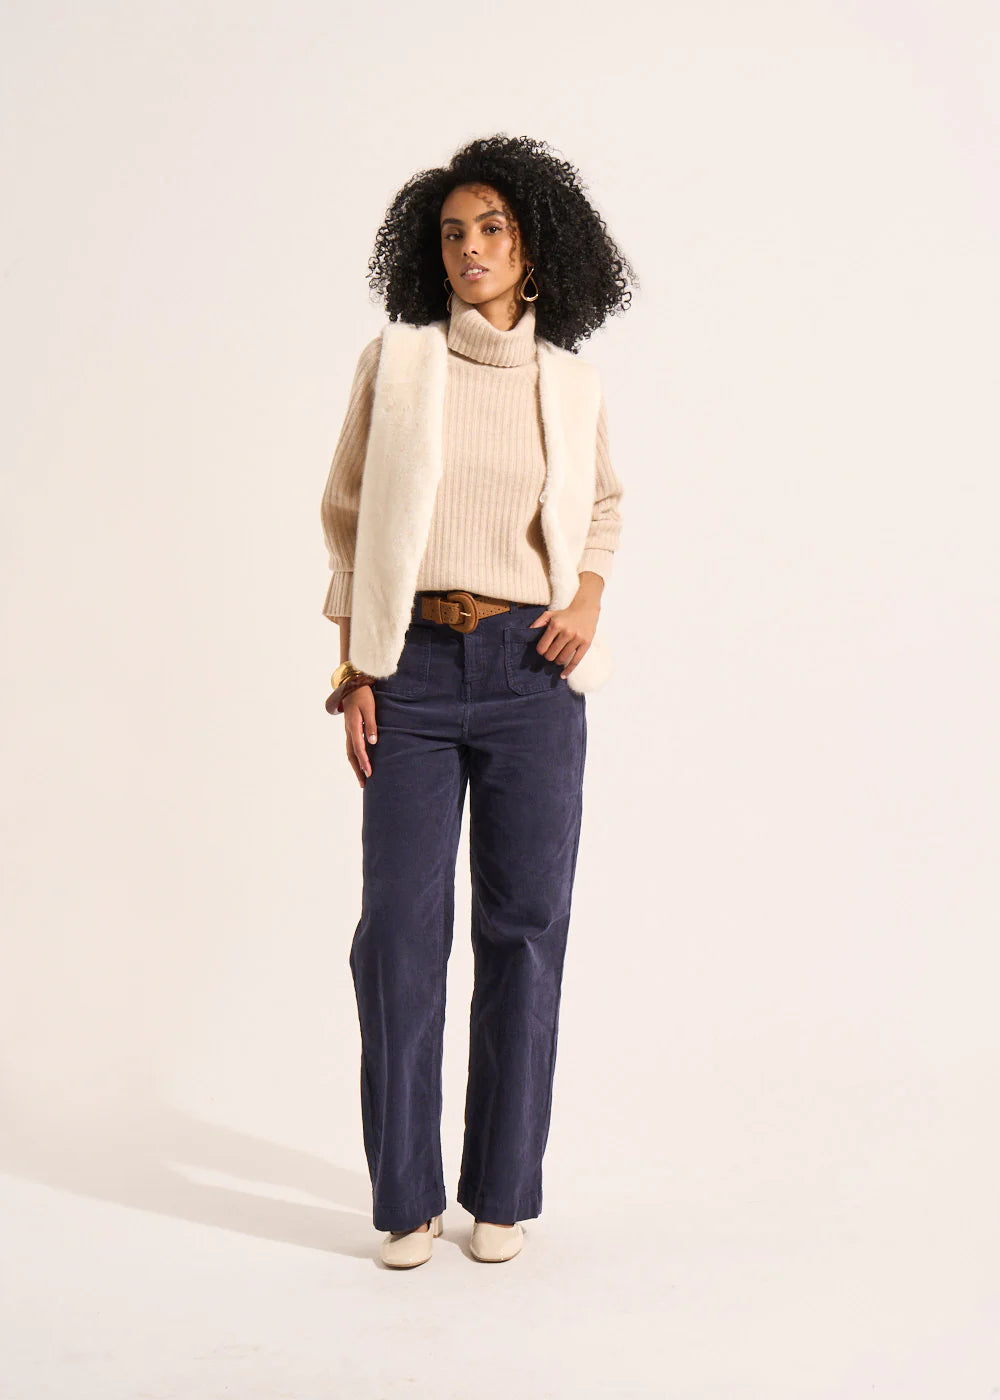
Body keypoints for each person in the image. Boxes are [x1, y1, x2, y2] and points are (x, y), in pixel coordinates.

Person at [320, 134, 635, 1268]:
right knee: (397, 935)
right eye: (453, 232)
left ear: (533, 247)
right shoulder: (397, 364)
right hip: (409, 669)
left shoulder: (570, 382)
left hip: (530, 677)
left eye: (492, 228)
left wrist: (585, 599)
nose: (471, 248)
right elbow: (348, 519)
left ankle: (501, 1189)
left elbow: (601, 508)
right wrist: (356, 668)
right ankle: (406, 1198)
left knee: (525, 931)